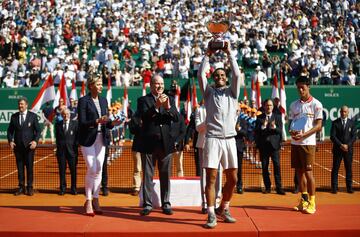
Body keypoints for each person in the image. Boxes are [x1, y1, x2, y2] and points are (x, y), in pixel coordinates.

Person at [198, 40, 241, 228]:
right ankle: (210, 213)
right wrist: (208, 53)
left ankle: (224, 207)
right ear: (213, 78)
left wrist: (229, 53)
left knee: (233, 179)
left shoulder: (233, 92)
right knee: (212, 178)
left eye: (223, 74)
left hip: (230, 140)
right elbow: (200, 74)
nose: (220, 77)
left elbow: (238, 74)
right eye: (217, 75)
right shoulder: (208, 93)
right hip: (213, 140)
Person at [77, 76, 121, 216]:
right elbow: (82, 122)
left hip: (102, 138)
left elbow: (106, 122)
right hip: (87, 139)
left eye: (101, 84)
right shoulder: (83, 101)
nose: (101, 86)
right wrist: (96, 121)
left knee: (99, 168)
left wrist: (112, 123)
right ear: (91, 86)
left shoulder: (103, 100)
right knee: (92, 167)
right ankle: (88, 200)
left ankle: (95, 199)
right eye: (98, 84)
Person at [137, 74, 179, 216]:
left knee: (165, 175)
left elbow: (177, 117)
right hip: (148, 144)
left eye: (161, 84)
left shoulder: (170, 99)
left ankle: (166, 203)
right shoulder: (143, 100)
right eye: (156, 84)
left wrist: (167, 107)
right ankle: (148, 204)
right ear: (151, 85)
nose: (160, 86)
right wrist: (156, 106)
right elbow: (144, 117)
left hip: (165, 144)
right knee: (148, 175)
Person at [289, 76, 323, 214]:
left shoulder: (316, 104)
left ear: (309, 86)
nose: (300, 89)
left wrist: (304, 135)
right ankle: (304, 200)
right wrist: (292, 133)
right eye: (298, 87)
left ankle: (312, 203)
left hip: (308, 143)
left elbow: (319, 126)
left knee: (308, 173)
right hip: (295, 143)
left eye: (303, 87)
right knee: (299, 173)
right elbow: (292, 124)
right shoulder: (293, 105)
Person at [7, 97, 41, 196]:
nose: (20, 106)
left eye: (22, 104)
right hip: (18, 148)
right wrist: (10, 141)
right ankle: (21, 187)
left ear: (26, 105)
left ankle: (30, 188)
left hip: (29, 148)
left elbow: (38, 130)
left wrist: (35, 141)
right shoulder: (14, 117)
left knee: (29, 168)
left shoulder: (33, 116)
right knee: (20, 168)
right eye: (19, 104)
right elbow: (10, 131)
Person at [195, 100, 223, 214]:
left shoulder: (221, 108)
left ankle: (216, 202)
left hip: (219, 144)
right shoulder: (200, 110)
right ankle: (205, 203)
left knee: (219, 172)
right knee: (204, 174)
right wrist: (207, 122)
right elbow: (198, 128)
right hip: (203, 144)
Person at [255, 99, 285, 195]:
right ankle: (267, 187)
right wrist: (263, 127)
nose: (269, 107)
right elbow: (257, 132)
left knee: (277, 167)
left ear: (273, 106)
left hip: (274, 146)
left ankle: (279, 188)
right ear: (264, 106)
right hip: (264, 147)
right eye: (267, 105)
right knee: (264, 167)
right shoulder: (259, 118)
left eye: (270, 105)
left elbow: (280, 131)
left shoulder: (278, 117)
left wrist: (274, 127)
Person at [330, 105, 357, 194]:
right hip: (338, 150)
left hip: (348, 150)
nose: (343, 113)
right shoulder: (335, 123)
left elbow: (354, 137)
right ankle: (334, 188)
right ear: (340, 112)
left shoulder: (352, 123)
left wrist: (347, 145)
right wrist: (341, 145)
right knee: (335, 169)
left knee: (348, 168)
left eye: (345, 112)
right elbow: (332, 136)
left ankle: (349, 188)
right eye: (342, 111)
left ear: (348, 112)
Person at [55, 108, 78, 195]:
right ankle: (62, 188)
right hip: (61, 152)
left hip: (72, 152)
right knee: (62, 171)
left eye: (67, 114)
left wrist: (75, 146)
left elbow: (77, 137)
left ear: (70, 114)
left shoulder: (75, 124)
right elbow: (57, 138)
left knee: (73, 171)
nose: (65, 115)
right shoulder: (58, 124)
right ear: (62, 115)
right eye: (64, 114)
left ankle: (73, 188)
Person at [235, 108, 248, 194]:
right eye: (235, 110)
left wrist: (238, 130)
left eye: (237, 110)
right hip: (229, 146)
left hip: (239, 147)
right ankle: (229, 185)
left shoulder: (243, 120)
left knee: (239, 167)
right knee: (228, 168)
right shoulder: (228, 119)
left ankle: (239, 186)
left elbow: (245, 132)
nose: (236, 112)